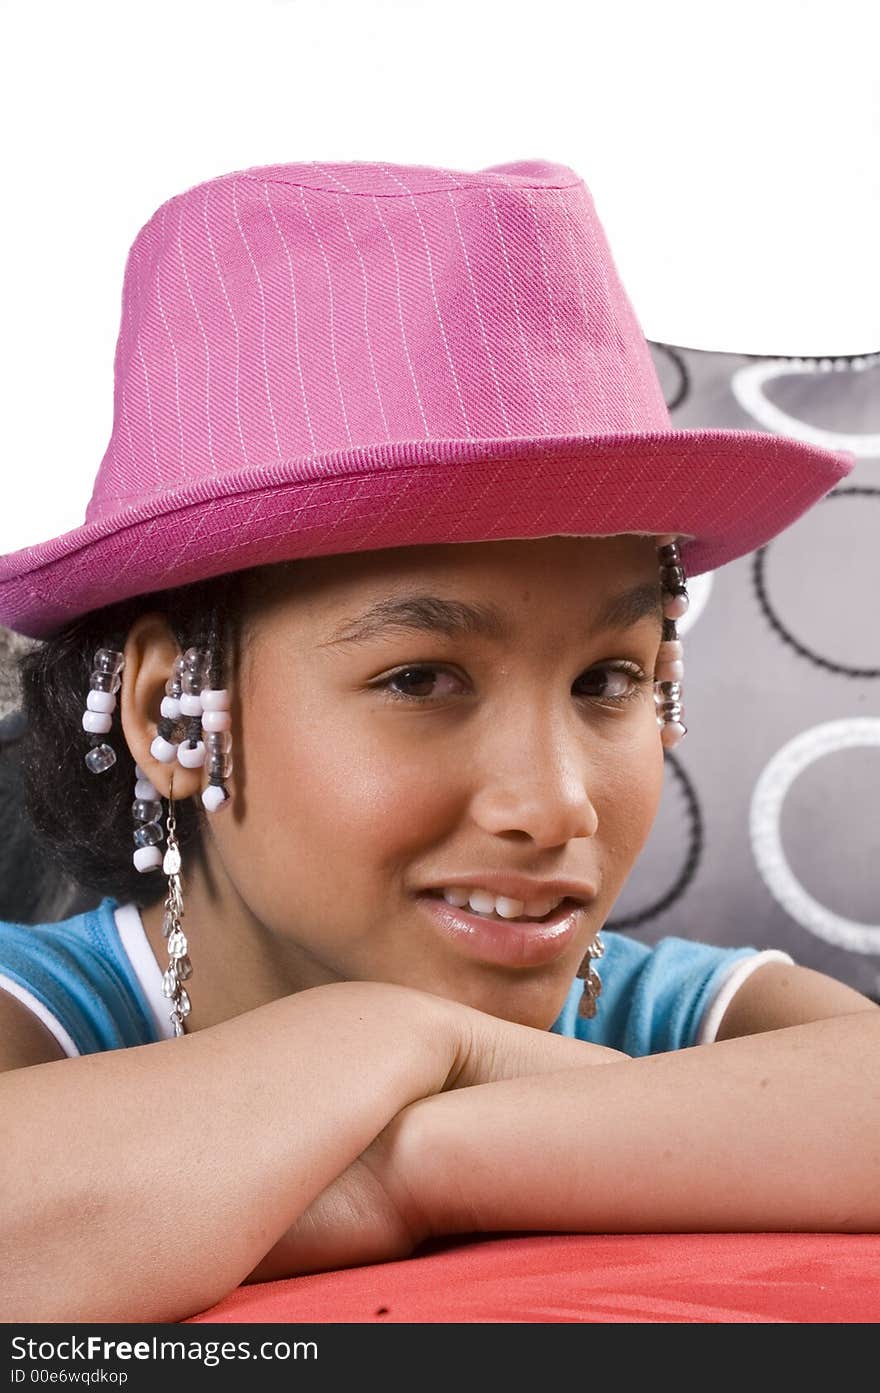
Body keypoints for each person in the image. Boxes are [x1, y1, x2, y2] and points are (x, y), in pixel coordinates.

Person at [0, 158, 876, 1324]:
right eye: (421, 677)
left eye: (610, 678)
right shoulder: (45, 1012)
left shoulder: (662, 1011)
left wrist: (415, 1151)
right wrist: (373, 1034)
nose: (556, 804)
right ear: (174, 713)